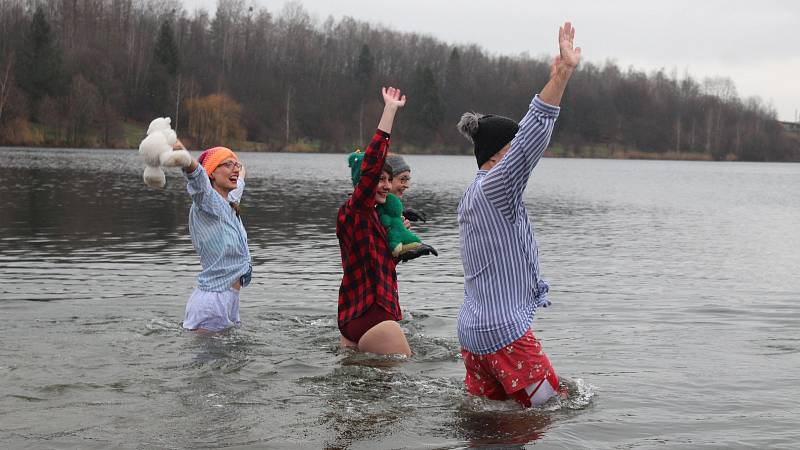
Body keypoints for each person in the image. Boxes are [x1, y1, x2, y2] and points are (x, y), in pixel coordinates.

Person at [455, 22, 581, 407]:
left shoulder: (471, 195)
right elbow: (534, 132)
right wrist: (561, 76)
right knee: (549, 410)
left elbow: (524, 141)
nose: (520, 159)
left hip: (473, 336)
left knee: (489, 424)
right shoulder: (497, 186)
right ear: (500, 153)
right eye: (513, 150)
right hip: (505, 337)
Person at [336, 86, 412, 356]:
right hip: (373, 317)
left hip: (355, 320)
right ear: (363, 183)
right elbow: (371, 163)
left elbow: (376, 266)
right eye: (379, 180)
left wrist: (398, 249)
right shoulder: (356, 209)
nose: (385, 185)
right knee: (406, 383)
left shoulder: (373, 219)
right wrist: (390, 110)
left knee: (361, 393)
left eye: (388, 180)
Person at [174, 140, 253, 332]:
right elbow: (196, 177)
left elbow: (241, 175)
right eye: (227, 165)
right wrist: (183, 154)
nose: (234, 169)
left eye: (236, 165)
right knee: (209, 361)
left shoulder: (230, 201)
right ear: (211, 173)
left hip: (229, 300)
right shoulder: (206, 200)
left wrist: (235, 164)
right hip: (212, 302)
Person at [385, 154, 427, 224]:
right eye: (402, 179)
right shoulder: (368, 211)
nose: (407, 186)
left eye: (407, 179)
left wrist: (402, 213)